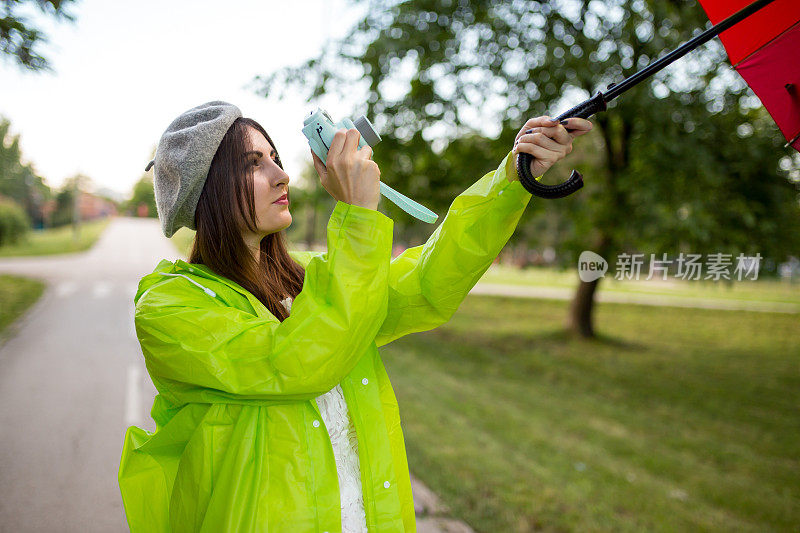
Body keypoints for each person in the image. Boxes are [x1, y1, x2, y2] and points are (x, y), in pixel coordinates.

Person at [118, 101, 592, 533]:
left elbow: (426, 283)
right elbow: (296, 362)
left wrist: (511, 178)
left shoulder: (308, 284)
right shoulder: (170, 306)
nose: (281, 176)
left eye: (275, 158)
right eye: (252, 164)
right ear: (208, 191)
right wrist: (357, 215)